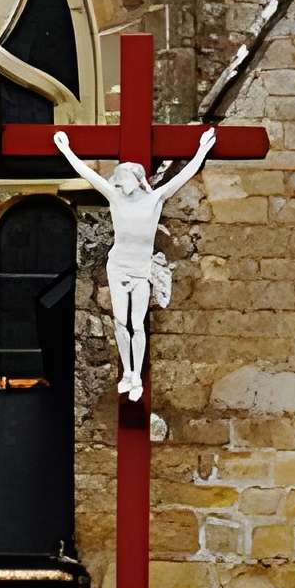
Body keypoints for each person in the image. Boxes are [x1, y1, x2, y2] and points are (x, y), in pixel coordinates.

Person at [51, 127, 216, 401]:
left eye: (122, 178)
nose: (117, 183)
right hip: (118, 266)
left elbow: (185, 175)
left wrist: (202, 149)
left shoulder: (155, 199)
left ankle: (136, 376)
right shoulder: (115, 197)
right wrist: (66, 149)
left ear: (136, 180)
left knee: (137, 324)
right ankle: (127, 373)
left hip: (140, 270)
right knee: (120, 321)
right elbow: (88, 175)